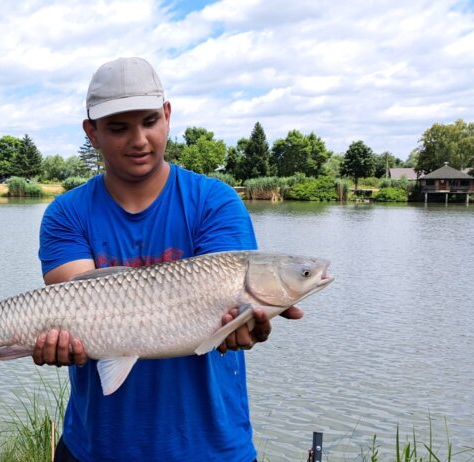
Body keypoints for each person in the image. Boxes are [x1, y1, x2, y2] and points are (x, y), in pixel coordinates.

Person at [35, 57, 304, 461]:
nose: (139, 140)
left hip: (210, 448)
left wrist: (248, 322)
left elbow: (225, 307)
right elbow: (80, 307)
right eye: (118, 128)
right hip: (96, 447)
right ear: (91, 133)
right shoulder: (66, 214)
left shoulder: (216, 202)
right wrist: (55, 340)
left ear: (167, 115)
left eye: (148, 121)